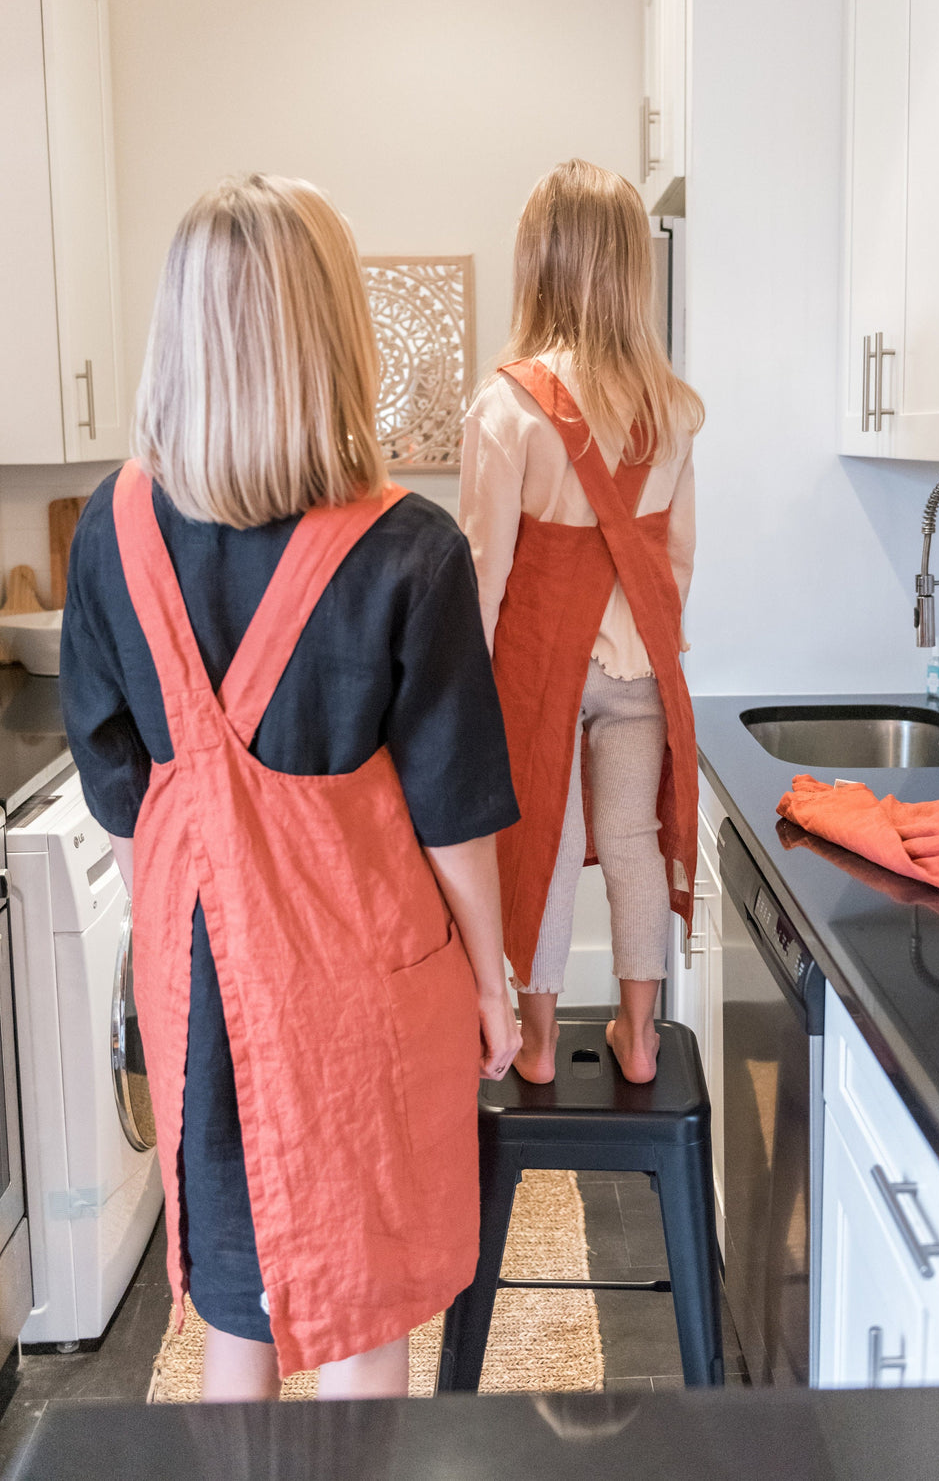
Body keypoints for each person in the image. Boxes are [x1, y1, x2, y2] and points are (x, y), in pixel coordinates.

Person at [59, 174, 521, 1402]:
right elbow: (455, 809)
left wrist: (212, 854)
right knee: (365, 1320)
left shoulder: (111, 531)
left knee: (236, 1306)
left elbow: (113, 776)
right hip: (364, 986)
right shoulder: (412, 551)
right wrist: (495, 982)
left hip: (201, 983)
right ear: (334, 337)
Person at [458, 158, 703, 1087]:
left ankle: (539, 1038)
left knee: (548, 841)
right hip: (641, 662)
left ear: (540, 265)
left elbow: (484, 571)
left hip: (539, 670)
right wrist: (652, 643)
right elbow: (676, 561)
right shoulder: (672, 409)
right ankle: (639, 1039)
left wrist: (467, 693)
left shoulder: (509, 403)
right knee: (633, 842)